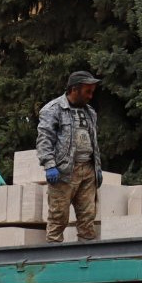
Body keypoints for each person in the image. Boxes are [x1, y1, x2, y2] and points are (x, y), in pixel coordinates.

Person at [37, 70, 103, 242]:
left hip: (88, 170)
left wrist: (97, 169)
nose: (90, 96)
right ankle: (54, 259)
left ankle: (86, 261)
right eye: (87, 91)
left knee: (88, 219)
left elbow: (93, 142)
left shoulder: (90, 112)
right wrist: (49, 165)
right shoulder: (53, 109)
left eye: (92, 91)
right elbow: (44, 139)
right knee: (58, 219)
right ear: (75, 89)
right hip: (64, 172)